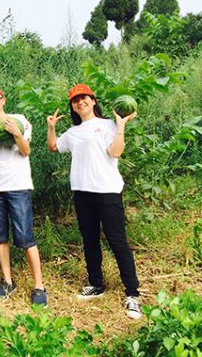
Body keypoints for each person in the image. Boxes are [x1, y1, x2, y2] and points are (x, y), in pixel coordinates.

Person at [47, 83, 142, 319]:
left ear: (93, 100)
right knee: (89, 240)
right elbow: (54, 147)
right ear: (72, 106)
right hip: (82, 192)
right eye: (75, 100)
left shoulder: (108, 124)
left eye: (84, 98)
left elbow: (116, 153)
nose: (81, 102)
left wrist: (120, 126)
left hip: (107, 191)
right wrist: (51, 128)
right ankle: (96, 284)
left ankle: (132, 293)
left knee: (117, 241)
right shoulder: (73, 132)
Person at [0, 85, 47, 305]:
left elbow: (26, 151)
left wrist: (15, 133)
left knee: (26, 237)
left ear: (3, 100)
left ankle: (39, 286)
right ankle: (8, 282)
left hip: (18, 187)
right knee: (0, 238)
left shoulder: (19, 120)